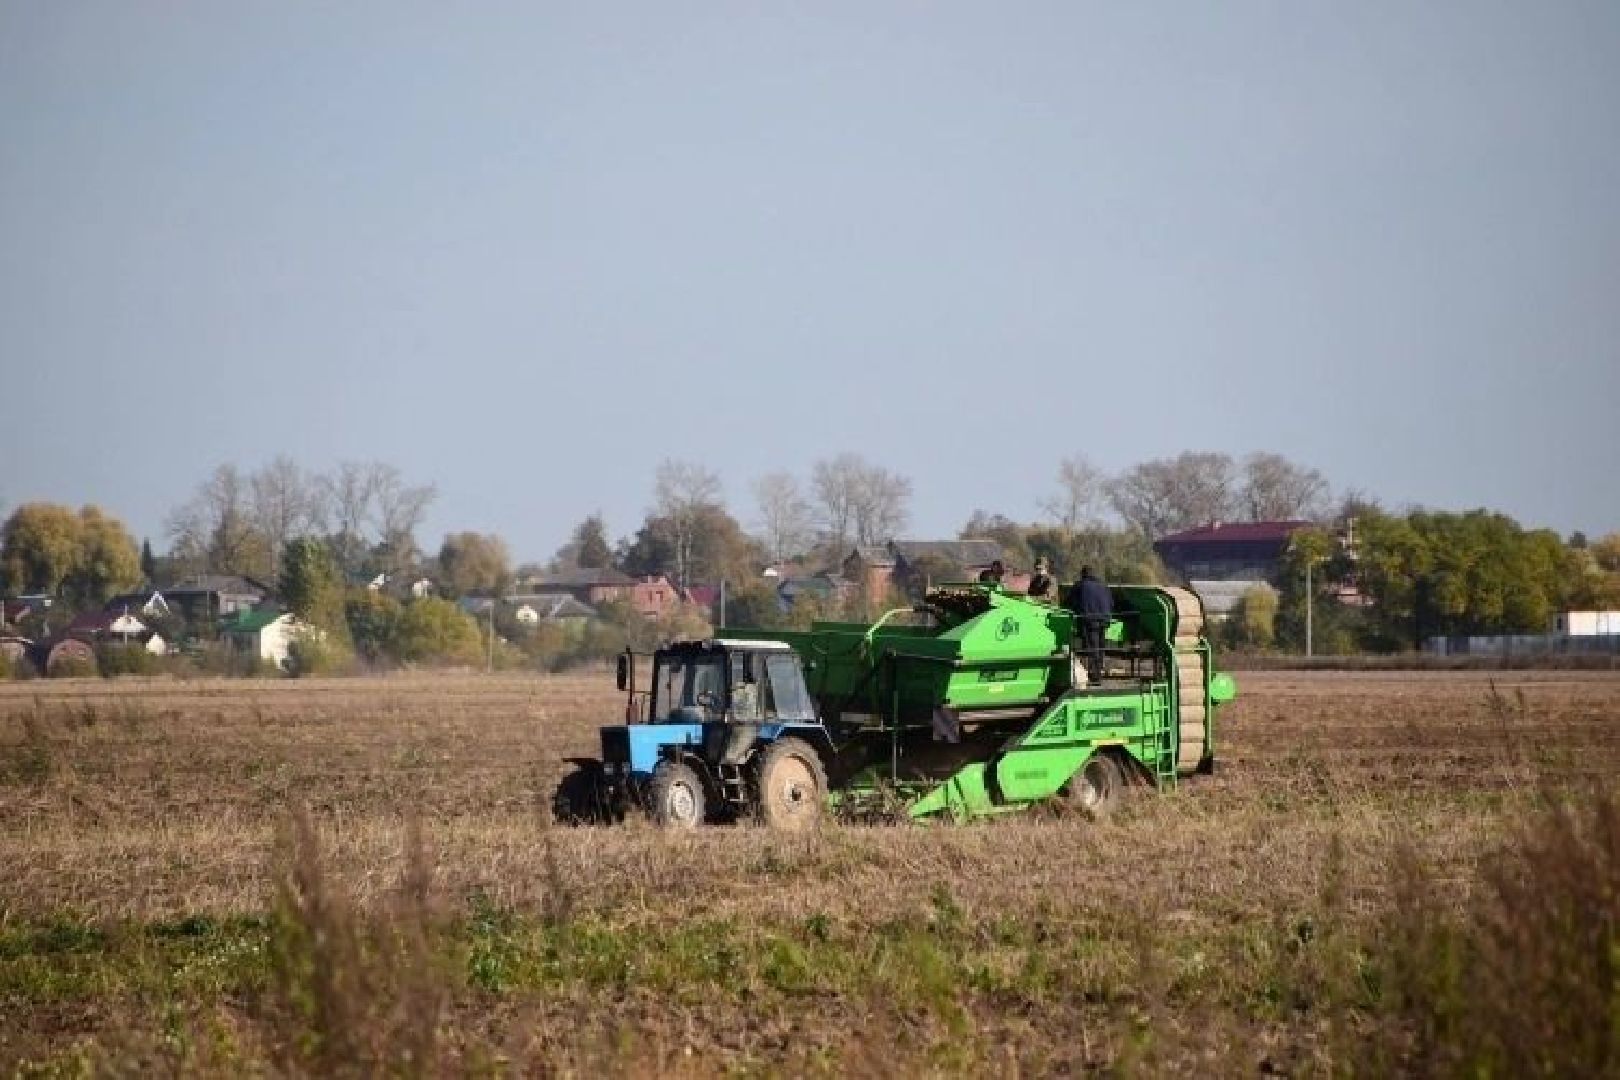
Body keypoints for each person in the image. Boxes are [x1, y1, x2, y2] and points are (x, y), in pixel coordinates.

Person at [1066, 565, 1112, 683]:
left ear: (1083, 574)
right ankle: (1098, 671)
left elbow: (1069, 602)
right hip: (1104, 619)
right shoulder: (1104, 586)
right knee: (1100, 646)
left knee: (1093, 647)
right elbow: (1111, 603)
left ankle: (1095, 676)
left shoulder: (1080, 585)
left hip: (1090, 620)